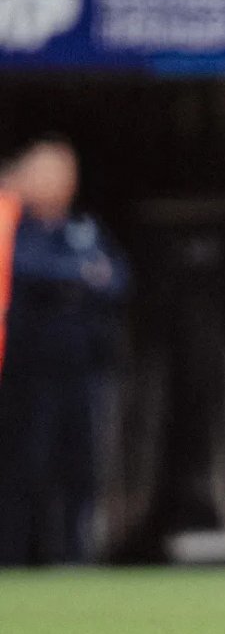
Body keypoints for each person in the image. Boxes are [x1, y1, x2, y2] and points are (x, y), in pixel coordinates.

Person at [0, 137, 130, 565]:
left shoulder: (83, 226)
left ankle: (74, 557)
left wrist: (76, 278)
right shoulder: (14, 224)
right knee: (24, 467)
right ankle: (15, 558)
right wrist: (79, 275)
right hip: (25, 371)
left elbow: (117, 278)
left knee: (79, 468)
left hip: (81, 368)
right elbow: (27, 269)